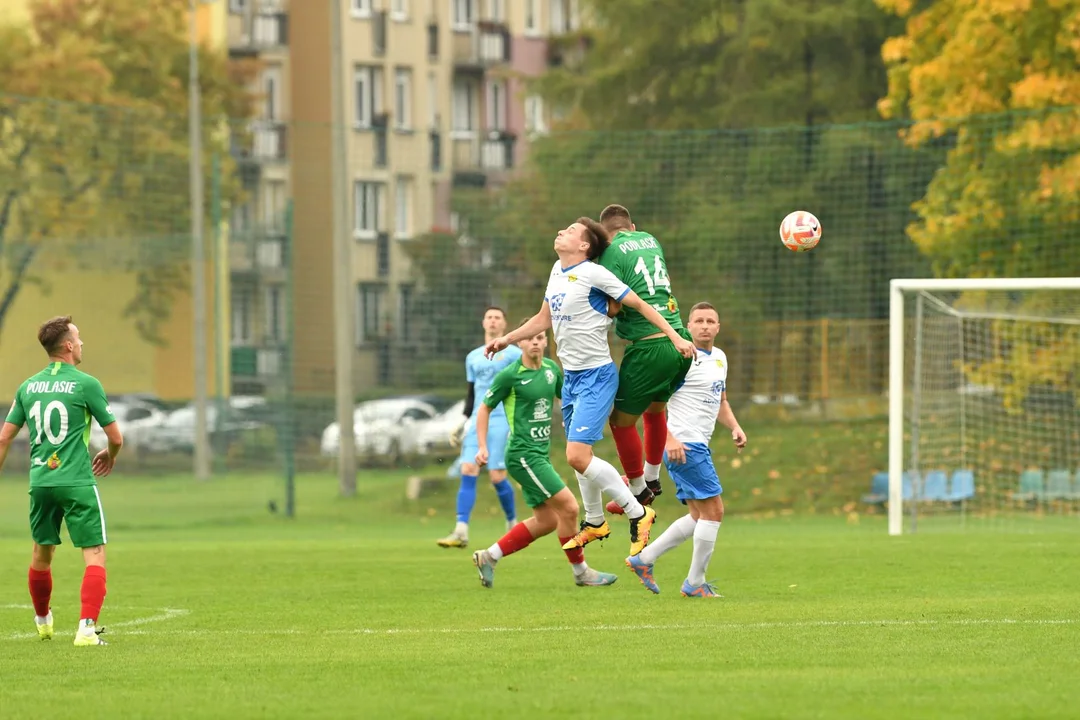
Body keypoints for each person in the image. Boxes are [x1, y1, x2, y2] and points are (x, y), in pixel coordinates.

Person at [486, 218, 694, 558]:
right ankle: (595, 519)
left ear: (584, 245)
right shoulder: (556, 270)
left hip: (597, 376)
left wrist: (673, 335)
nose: (560, 231)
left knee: (576, 455)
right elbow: (543, 319)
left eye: (569, 230)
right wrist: (506, 339)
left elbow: (641, 304)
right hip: (572, 378)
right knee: (579, 459)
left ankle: (638, 511)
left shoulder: (596, 274)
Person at [0, 316, 122, 645]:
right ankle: (85, 629)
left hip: (40, 482)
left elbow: (3, 439)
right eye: (78, 339)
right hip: (76, 481)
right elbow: (116, 437)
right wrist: (110, 455)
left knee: (41, 553)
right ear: (67, 346)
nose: (82, 344)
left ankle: (42, 620)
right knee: (94, 553)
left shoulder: (27, 387)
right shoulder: (86, 384)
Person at [470, 321, 618, 588]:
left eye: (540, 337)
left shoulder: (551, 370)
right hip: (523, 455)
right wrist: (482, 446)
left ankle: (489, 556)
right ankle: (581, 572)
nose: (536, 342)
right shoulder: (510, 376)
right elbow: (484, 409)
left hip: (539, 454)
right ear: (520, 343)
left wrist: (578, 425)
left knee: (547, 520)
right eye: (531, 338)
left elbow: (567, 400)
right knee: (570, 508)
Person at [625, 302, 747, 598]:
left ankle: (644, 559)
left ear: (718, 327)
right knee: (714, 511)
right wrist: (667, 439)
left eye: (710, 321)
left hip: (697, 444)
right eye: (699, 321)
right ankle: (694, 583)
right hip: (683, 445)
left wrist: (734, 426)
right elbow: (653, 403)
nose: (705, 325)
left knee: (698, 515)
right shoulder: (680, 357)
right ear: (688, 326)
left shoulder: (720, 358)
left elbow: (721, 400)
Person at [596, 204, 694, 515]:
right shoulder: (650, 240)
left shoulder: (610, 252)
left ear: (604, 234)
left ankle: (637, 490)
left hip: (648, 347)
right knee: (655, 410)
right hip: (679, 342)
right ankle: (653, 479)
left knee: (620, 422)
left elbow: (615, 303)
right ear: (632, 226)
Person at [438, 307, 522, 548]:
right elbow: (471, 394)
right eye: (489, 317)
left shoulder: (515, 355)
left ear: (504, 324)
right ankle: (461, 531)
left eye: (497, 318)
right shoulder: (473, 356)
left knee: (497, 476)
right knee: (468, 468)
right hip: (477, 419)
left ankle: (512, 524)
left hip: (502, 420)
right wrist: (464, 422)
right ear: (483, 323)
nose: (493, 321)